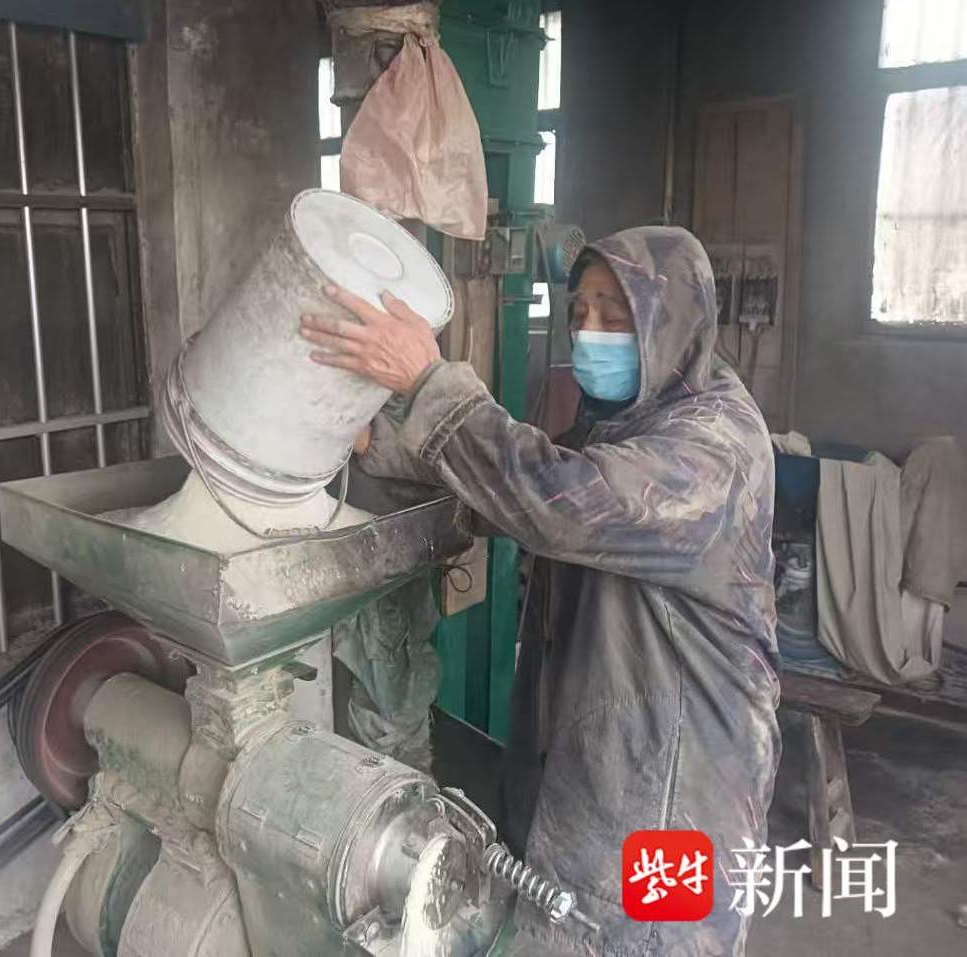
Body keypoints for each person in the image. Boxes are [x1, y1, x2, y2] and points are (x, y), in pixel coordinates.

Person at [300, 226, 781, 956]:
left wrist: (430, 385)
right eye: (579, 311)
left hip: (682, 795)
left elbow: (560, 505)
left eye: (614, 314)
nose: (589, 332)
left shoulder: (714, 448)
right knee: (569, 925)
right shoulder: (627, 420)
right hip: (606, 760)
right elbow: (515, 498)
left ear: (672, 322)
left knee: (653, 937)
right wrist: (384, 446)